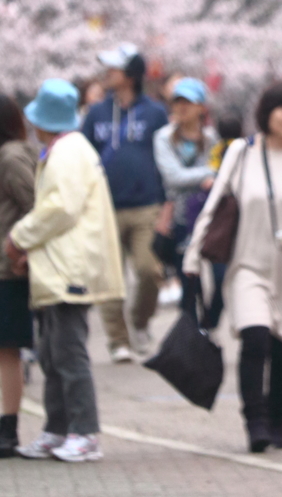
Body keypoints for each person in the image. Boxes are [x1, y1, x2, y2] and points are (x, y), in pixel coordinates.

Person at [184, 82, 282, 453]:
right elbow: (215, 202)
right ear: (267, 112)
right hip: (248, 263)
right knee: (255, 339)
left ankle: (279, 418)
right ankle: (255, 421)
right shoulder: (242, 152)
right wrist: (192, 256)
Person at [4, 79, 125, 462]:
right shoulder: (66, 149)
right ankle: (57, 429)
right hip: (58, 267)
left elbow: (59, 207)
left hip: (69, 267)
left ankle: (84, 431)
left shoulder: (68, 152)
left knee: (69, 354)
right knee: (53, 354)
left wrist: (19, 236)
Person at [82, 43, 168, 362]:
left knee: (148, 270)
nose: (108, 73)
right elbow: (85, 153)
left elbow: (165, 158)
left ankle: (140, 322)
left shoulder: (156, 113)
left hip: (147, 205)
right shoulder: (96, 113)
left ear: (131, 74)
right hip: (105, 207)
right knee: (109, 278)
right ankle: (118, 340)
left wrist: (166, 206)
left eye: (115, 68)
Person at [153, 78, 223, 329]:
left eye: (188, 102)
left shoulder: (213, 138)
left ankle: (209, 325)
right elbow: (173, 177)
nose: (181, 107)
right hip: (179, 220)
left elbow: (222, 174)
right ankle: (191, 342)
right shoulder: (163, 138)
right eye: (177, 102)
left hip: (212, 218)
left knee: (219, 278)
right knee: (188, 284)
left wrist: (210, 177)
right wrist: (207, 176)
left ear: (201, 107)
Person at [0, 96, 37, 458]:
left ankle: (8, 430)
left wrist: (20, 249)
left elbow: (34, 206)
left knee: (7, 351)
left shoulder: (10, 157)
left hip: (7, 270)